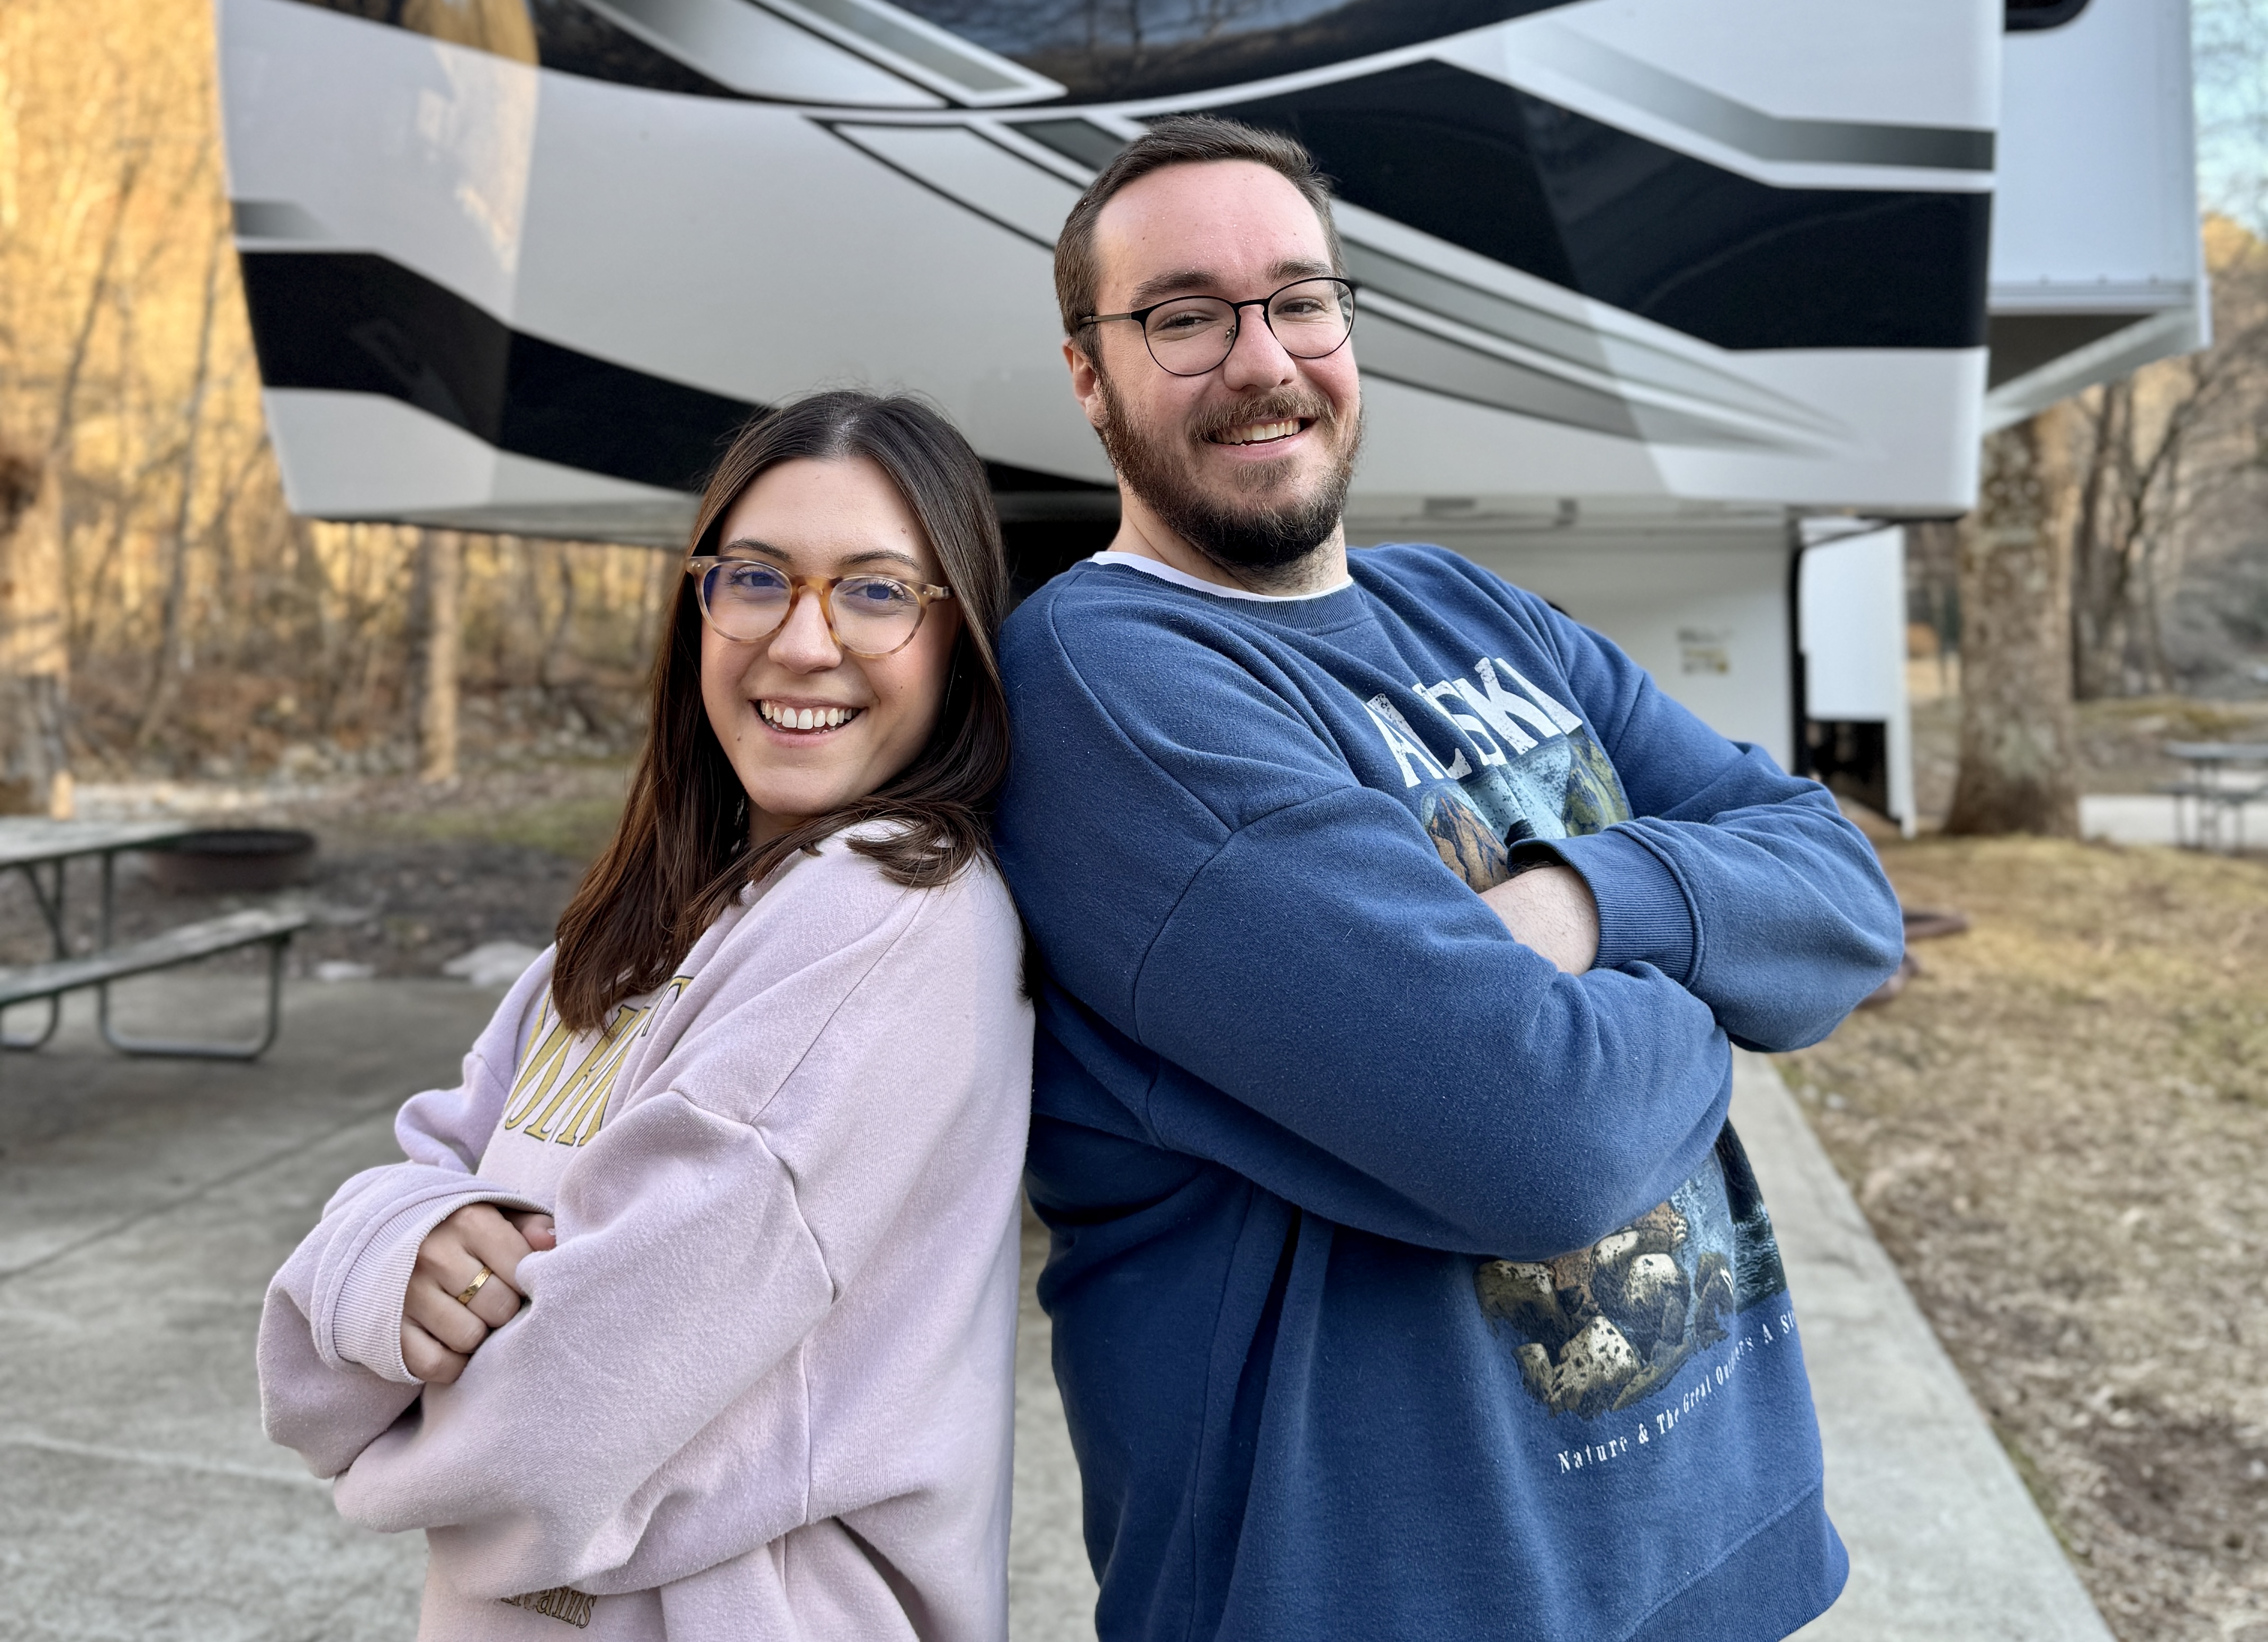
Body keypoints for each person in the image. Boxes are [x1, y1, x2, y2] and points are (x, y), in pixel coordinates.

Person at [995, 115, 1904, 1642]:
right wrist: (1719, 984)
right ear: (1089, 374)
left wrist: (1592, 904)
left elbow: (1845, 895)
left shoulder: (1469, 606)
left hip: (1712, 1545)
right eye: (1182, 315)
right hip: (1387, 1592)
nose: (1260, 356)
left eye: (1299, 296)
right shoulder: (1109, 682)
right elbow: (1536, 1128)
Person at [260, 392, 1032, 1642]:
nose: (802, 639)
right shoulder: (645, 917)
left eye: (878, 591)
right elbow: (430, 1163)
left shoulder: (891, 908)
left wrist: (387, 1432)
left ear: (958, 641)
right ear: (698, 605)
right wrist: (406, 1249)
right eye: (756, 578)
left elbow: (556, 1425)